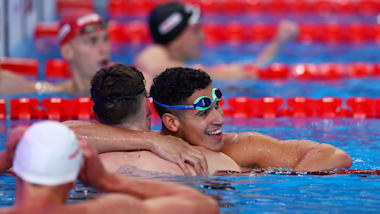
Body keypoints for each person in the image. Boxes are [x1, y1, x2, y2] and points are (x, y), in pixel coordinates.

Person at [67, 65, 352, 175]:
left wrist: (289, 181)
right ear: (170, 122)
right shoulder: (210, 162)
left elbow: (334, 155)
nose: (220, 118)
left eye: (218, 106)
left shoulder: (241, 146)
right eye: (204, 112)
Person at [0, 121, 219, 214]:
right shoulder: (111, 210)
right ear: (72, 179)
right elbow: (203, 205)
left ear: (16, 171)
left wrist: (6, 158)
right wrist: (106, 181)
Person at [135, 2, 298, 89]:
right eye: (196, 30)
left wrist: (276, 44)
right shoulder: (152, 55)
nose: (203, 36)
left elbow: (246, 73)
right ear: (177, 35)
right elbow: (157, 69)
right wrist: (228, 75)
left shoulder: (176, 63)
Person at [0, 10, 111, 95]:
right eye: (92, 41)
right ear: (67, 51)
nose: (104, 49)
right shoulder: (51, 91)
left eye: (105, 39)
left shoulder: (125, 87)